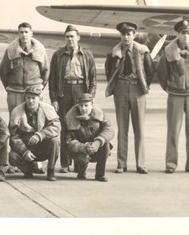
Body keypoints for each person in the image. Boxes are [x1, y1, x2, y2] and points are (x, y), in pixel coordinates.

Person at [155, 19, 189, 174]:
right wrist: (171, 87)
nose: (185, 36)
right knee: (173, 130)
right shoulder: (168, 50)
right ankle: (171, 164)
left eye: (188, 33)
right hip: (175, 95)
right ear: (178, 34)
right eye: (183, 33)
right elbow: (162, 73)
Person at [104, 21, 155, 174]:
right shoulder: (114, 52)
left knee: (139, 128)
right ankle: (121, 163)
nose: (126, 37)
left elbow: (150, 70)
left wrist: (144, 85)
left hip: (137, 89)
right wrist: (117, 85)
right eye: (123, 34)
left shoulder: (142, 51)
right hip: (120, 89)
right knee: (122, 128)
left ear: (134, 35)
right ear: (120, 35)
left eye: (129, 34)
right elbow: (109, 70)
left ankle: (141, 164)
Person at [47, 25, 96, 173]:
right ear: (65, 38)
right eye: (67, 36)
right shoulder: (58, 55)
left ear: (78, 38)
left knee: (81, 127)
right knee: (65, 126)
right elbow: (52, 79)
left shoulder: (86, 54)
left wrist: (90, 98)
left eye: (72, 36)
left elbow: (93, 79)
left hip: (81, 90)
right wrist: (54, 99)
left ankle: (79, 162)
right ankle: (64, 163)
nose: (70, 39)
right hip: (64, 91)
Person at [8, 86, 60, 181]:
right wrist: (24, 152)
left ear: (39, 98)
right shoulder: (17, 112)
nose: (31, 101)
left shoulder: (48, 109)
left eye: (33, 98)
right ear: (25, 98)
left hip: (43, 147)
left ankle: (51, 170)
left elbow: (56, 127)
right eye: (28, 98)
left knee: (55, 141)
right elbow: (14, 136)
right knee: (12, 156)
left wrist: (40, 135)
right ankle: (28, 169)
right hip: (27, 147)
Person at [0, 22, 48, 115]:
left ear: (31, 33)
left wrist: (41, 86)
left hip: (34, 92)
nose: (24, 35)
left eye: (26, 32)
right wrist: (9, 88)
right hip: (15, 92)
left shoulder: (40, 49)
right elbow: (3, 71)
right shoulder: (11, 49)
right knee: (15, 120)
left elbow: (45, 70)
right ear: (18, 34)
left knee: (35, 119)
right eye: (21, 32)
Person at [64, 94, 114, 182]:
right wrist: (85, 147)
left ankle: (100, 174)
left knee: (105, 143)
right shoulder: (70, 118)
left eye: (86, 105)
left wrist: (98, 142)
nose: (84, 108)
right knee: (81, 159)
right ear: (77, 105)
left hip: (96, 147)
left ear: (92, 104)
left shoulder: (100, 115)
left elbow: (109, 129)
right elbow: (69, 141)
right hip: (80, 150)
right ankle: (81, 170)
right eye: (81, 105)